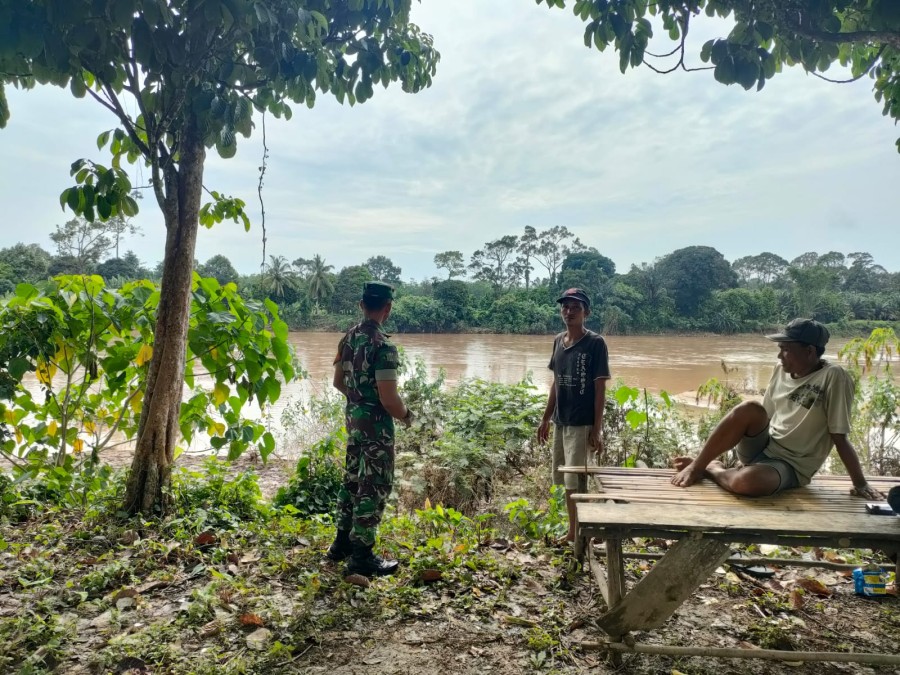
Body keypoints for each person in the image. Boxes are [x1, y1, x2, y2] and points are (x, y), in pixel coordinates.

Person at [671, 318, 883, 500]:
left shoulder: (834, 377)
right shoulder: (780, 370)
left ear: (809, 351)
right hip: (763, 447)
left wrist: (860, 483)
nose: (780, 356)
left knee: (747, 483)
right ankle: (698, 465)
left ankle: (713, 470)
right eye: (780, 349)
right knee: (750, 408)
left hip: (791, 465)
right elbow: (764, 415)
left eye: (786, 350)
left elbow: (839, 435)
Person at [326, 281, 414, 576]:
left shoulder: (348, 339)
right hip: (377, 430)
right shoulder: (384, 347)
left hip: (354, 424)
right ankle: (361, 557)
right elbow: (389, 400)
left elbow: (338, 382)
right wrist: (408, 416)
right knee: (373, 487)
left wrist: (358, 400)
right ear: (388, 308)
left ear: (362, 305)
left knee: (352, 481)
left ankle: (341, 544)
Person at [537, 288, 611, 542]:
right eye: (565, 307)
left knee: (576, 481)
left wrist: (597, 429)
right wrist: (546, 418)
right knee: (567, 480)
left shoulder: (596, 343)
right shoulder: (559, 340)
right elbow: (556, 382)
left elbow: (600, 388)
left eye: (575, 308)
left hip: (582, 423)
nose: (569, 312)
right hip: (562, 420)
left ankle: (581, 532)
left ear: (586, 313)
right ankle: (575, 530)